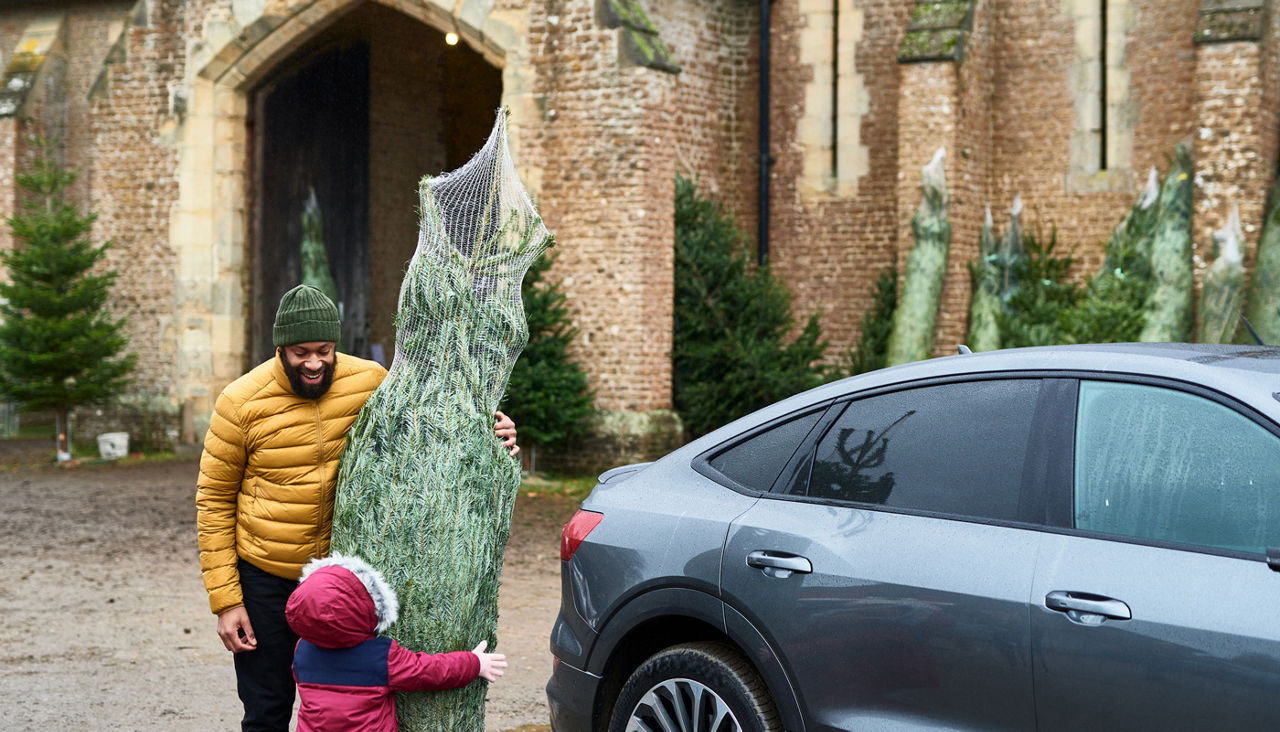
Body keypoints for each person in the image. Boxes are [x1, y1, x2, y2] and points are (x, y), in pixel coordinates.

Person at [196, 284, 518, 731]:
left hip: (341, 588)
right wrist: (227, 601)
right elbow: (213, 502)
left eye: (324, 350)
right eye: (300, 352)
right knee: (266, 708)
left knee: (350, 705)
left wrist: (493, 427)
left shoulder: (369, 380)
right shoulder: (239, 402)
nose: (313, 363)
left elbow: (432, 418)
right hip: (266, 577)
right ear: (280, 348)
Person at [285, 553, 506, 731]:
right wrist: (474, 663)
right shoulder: (380, 656)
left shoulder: (302, 650)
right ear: (367, 606)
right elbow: (427, 671)